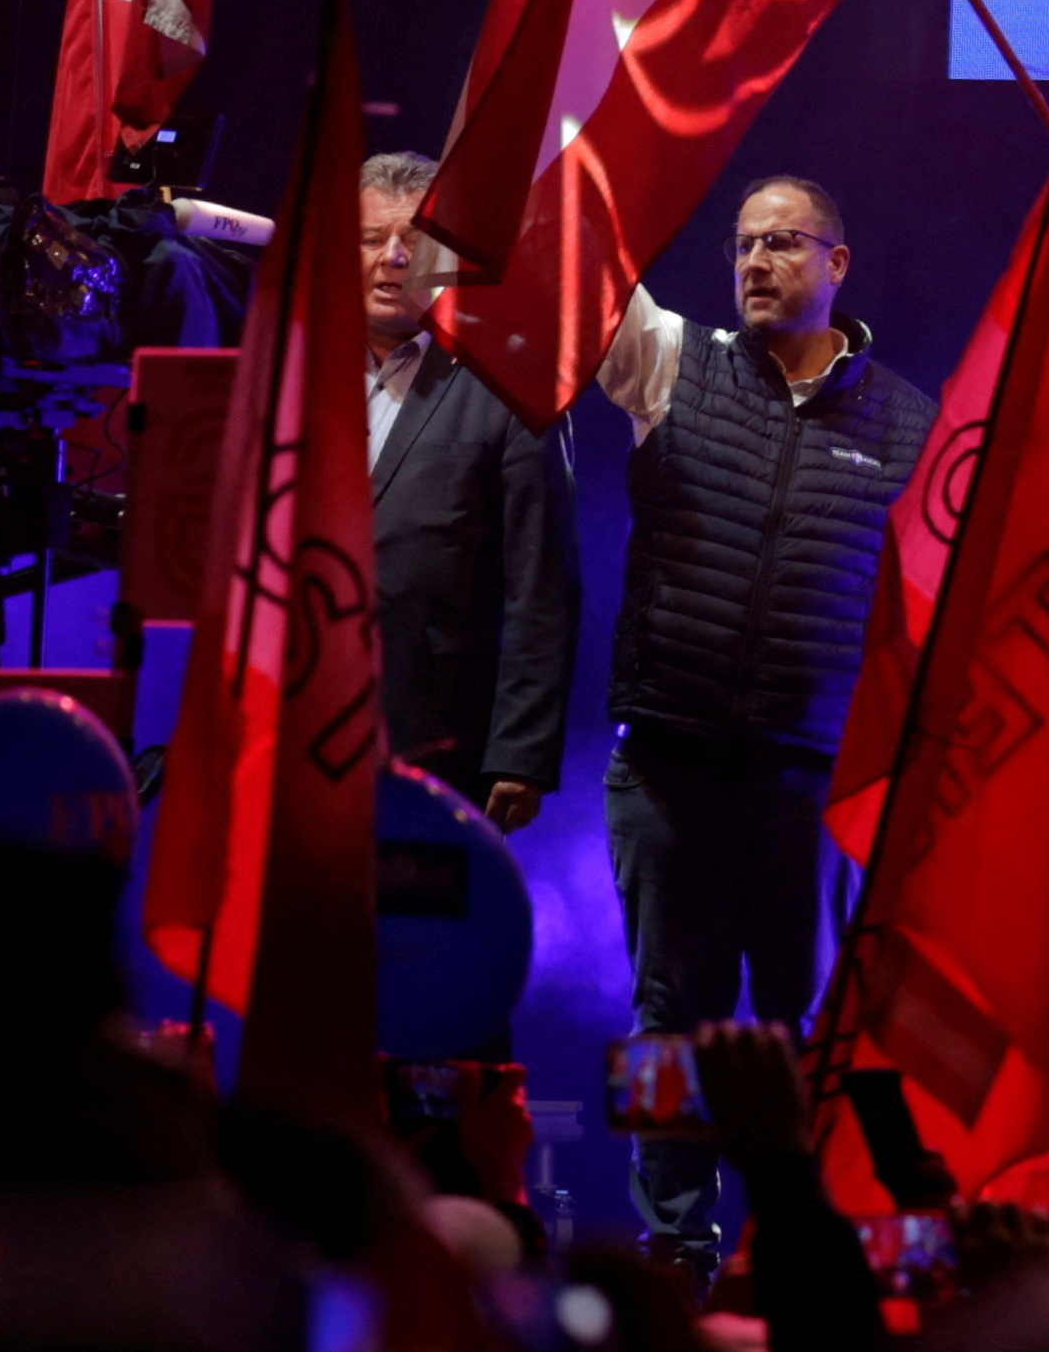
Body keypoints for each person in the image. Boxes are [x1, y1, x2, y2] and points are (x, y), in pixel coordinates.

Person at [587, 175, 939, 1271]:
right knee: (667, 1015)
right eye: (743, 243)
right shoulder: (669, 361)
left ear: (839, 261)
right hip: (668, 756)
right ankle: (674, 1243)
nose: (753, 261)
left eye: (782, 241)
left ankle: (792, 1243)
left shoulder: (915, 425)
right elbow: (578, 262)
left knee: (802, 1016)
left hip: (813, 774)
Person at [355, 152, 578, 834]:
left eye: (415, 241)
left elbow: (540, 587)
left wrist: (520, 753)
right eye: (370, 240)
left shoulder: (511, 386)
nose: (393, 258)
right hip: (303, 721)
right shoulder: (297, 375)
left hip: (440, 737)